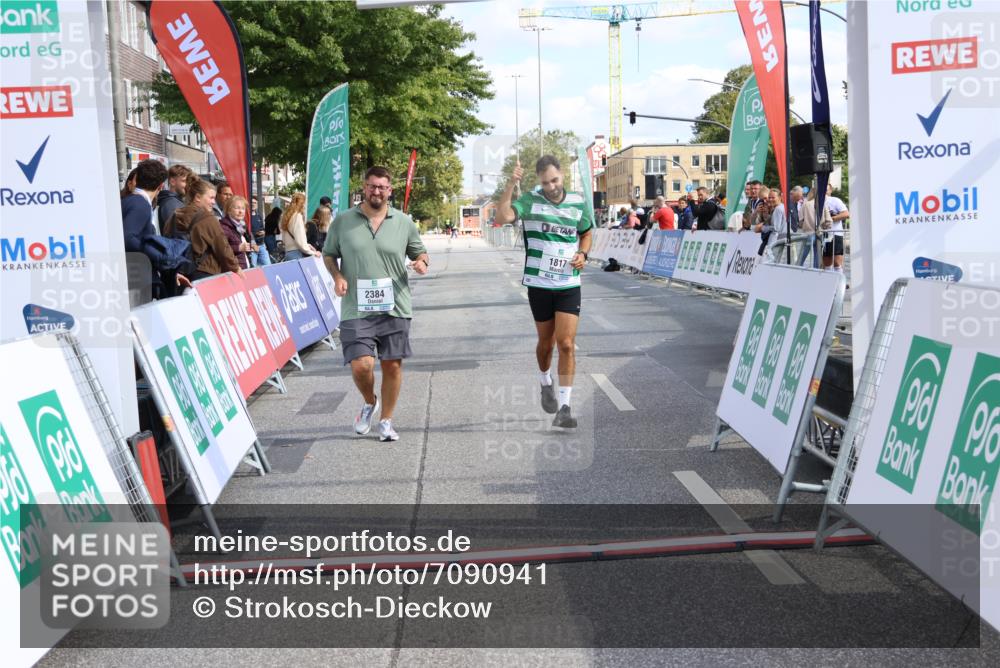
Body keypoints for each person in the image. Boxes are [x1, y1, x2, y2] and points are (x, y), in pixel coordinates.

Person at [322, 166, 430, 442]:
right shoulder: (344, 221)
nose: (377, 191)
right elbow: (329, 254)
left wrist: (421, 263)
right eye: (372, 186)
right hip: (356, 306)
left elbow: (420, 252)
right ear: (364, 187)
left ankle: (386, 421)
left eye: (382, 187)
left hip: (395, 305)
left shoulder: (404, 222)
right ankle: (370, 402)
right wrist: (337, 276)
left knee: (392, 365)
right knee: (361, 365)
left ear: (389, 190)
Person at [495, 155, 593, 429]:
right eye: (545, 182)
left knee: (566, 343)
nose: (551, 186)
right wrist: (510, 184)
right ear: (538, 182)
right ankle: (544, 380)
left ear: (562, 175)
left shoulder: (576, 203)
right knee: (546, 344)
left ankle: (565, 406)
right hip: (539, 284)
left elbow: (586, 232)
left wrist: (583, 253)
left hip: (568, 284)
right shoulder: (530, 200)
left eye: (555, 180)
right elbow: (502, 217)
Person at [164, 175, 241, 280]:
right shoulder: (207, 218)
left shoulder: (174, 215)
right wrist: (236, 268)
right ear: (198, 197)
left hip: (177, 273)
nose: (214, 202)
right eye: (211, 198)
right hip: (203, 272)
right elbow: (222, 247)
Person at [121, 160, 167, 297]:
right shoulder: (140, 204)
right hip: (136, 277)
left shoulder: (129, 201)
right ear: (161, 186)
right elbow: (127, 237)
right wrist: (152, 251)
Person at [281, 193, 320, 260]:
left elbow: (285, 239)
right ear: (302, 204)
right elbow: (300, 238)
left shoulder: (286, 216)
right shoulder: (297, 216)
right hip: (296, 254)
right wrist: (313, 252)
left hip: (288, 253)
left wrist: (307, 245)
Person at [220, 196, 255, 270]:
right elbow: (221, 249)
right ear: (229, 210)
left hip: (244, 266)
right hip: (234, 271)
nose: (241, 211)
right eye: (237, 208)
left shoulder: (242, 226)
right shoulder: (224, 227)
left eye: (243, 208)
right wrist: (238, 248)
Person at [823, 183, 850, 273]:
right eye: (823, 189)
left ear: (830, 191)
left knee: (837, 263)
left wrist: (831, 219)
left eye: (826, 190)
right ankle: (828, 284)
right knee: (826, 263)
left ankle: (840, 284)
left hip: (836, 234)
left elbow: (846, 214)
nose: (825, 192)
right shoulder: (816, 201)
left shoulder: (835, 200)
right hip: (823, 234)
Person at [157, 164, 193, 232]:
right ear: (172, 182)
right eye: (184, 181)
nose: (187, 185)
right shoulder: (171, 204)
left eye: (188, 181)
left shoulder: (175, 201)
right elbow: (178, 233)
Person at [754, 188, 787, 256]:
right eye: (770, 197)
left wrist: (763, 228)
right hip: (781, 240)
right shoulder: (782, 207)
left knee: (769, 261)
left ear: (780, 197)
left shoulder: (778, 209)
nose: (770, 199)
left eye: (773, 197)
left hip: (775, 241)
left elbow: (776, 228)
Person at [248, 197, 270, 266]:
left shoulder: (259, 216)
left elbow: (262, 228)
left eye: (255, 203)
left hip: (262, 245)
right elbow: (246, 231)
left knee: (268, 266)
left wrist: (263, 232)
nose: (253, 204)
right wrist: (253, 243)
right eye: (252, 203)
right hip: (252, 247)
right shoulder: (247, 217)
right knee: (252, 269)